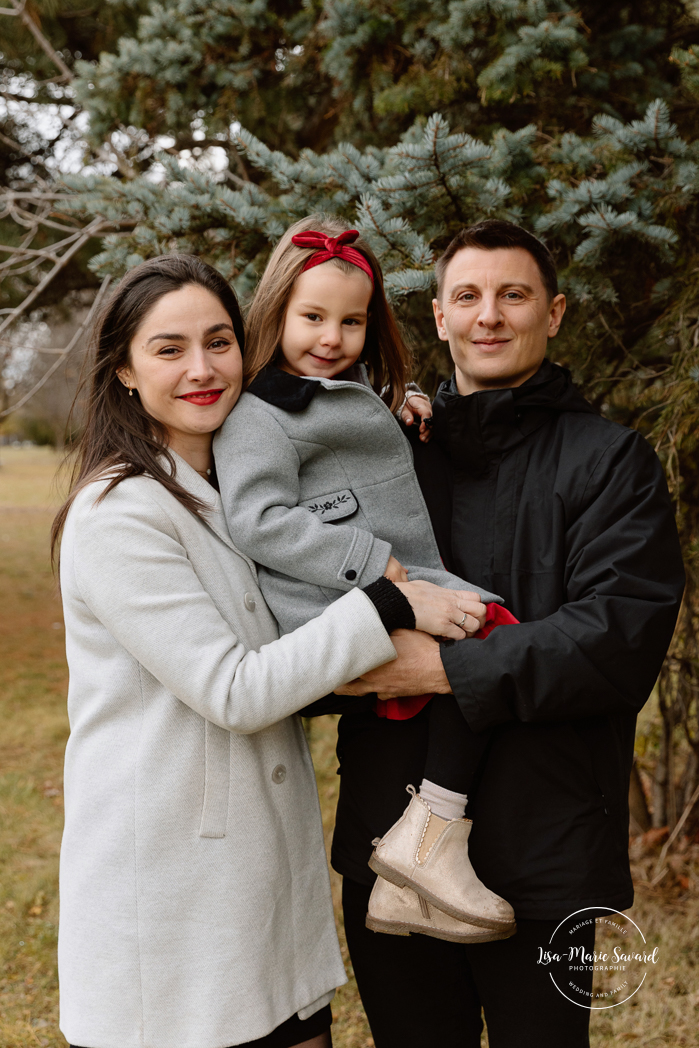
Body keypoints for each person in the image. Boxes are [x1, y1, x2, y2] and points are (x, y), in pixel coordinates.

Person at [51, 254, 478, 1048]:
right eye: (168, 349)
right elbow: (235, 688)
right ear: (124, 371)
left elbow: (334, 482)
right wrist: (384, 603)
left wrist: (393, 410)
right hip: (172, 902)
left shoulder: (229, 493)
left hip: (259, 886)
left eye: (219, 341)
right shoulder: (119, 515)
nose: (204, 369)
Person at [329, 220, 686, 1048]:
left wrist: (440, 670)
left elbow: (614, 634)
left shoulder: (609, 461)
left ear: (552, 313)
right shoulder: (389, 455)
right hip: (389, 835)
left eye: (513, 295)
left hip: (544, 850)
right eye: (467, 297)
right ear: (440, 319)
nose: (489, 315)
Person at [214, 215, 516, 940]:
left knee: (438, 692)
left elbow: (347, 441)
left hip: (389, 581)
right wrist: (360, 559)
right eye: (312, 317)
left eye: (351, 322)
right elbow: (257, 518)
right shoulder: (259, 412)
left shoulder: (335, 390)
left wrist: (400, 401)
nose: (330, 337)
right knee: (490, 633)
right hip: (343, 593)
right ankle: (430, 837)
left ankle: (402, 886)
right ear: (275, 312)